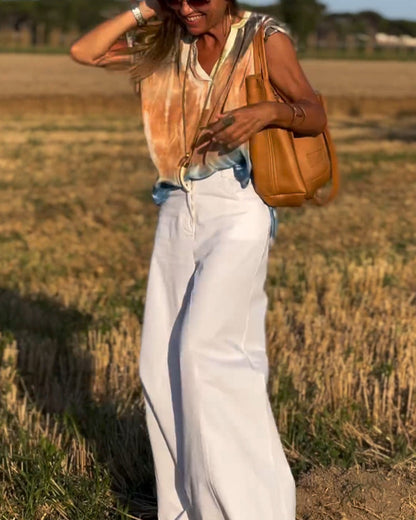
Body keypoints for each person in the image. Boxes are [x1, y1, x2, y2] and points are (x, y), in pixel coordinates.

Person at [70, 1, 326, 519]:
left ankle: (250, 511)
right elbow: (84, 51)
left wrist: (267, 112)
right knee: (160, 366)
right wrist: (145, 9)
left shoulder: (262, 37)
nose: (188, 8)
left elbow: (313, 111)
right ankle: (186, 508)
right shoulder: (167, 40)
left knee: (204, 353)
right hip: (175, 208)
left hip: (237, 207)